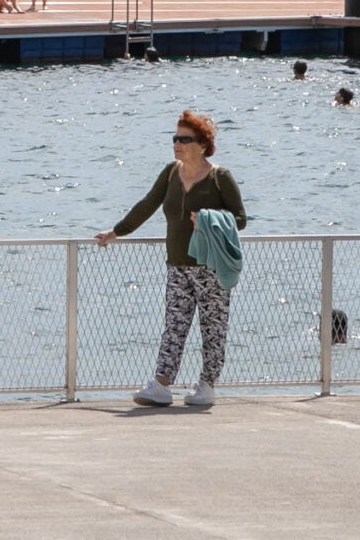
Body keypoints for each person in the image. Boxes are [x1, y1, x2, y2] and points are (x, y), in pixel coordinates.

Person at [97, 110, 248, 410]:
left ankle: (207, 385)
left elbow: (240, 219)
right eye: (175, 138)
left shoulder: (220, 178)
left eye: (184, 139)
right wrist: (117, 232)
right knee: (174, 326)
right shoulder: (170, 173)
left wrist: (208, 220)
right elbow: (146, 205)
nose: (177, 144)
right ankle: (161, 386)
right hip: (177, 265)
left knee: (213, 328)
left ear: (203, 144)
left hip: (211, 267)